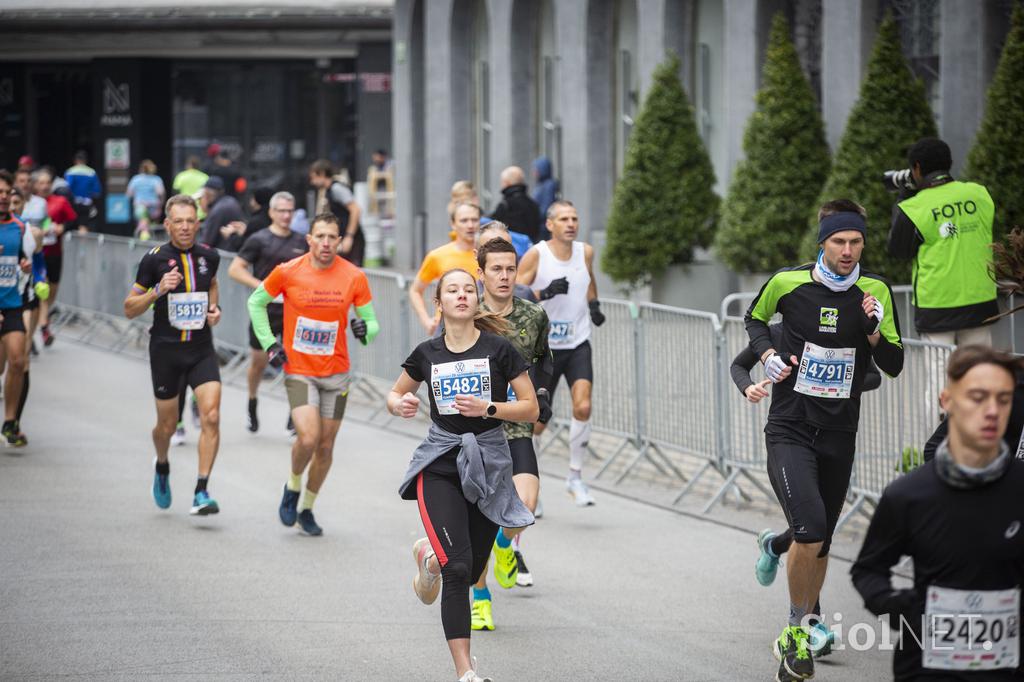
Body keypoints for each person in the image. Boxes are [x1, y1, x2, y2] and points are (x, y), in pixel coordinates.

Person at [744, 199, 904, 681]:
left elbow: (895, 364)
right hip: (790, 426)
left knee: (823, 538)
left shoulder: (875, 292)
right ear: (823, 243)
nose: (849, 251)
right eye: (840, 242)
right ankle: (795, 631)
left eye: (856, 242)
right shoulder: (788, 282)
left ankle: (803, 607)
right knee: (811, 528)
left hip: (840, 431)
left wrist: (875, 333)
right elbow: (754, 319)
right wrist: (768, 352)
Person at [387, 267, 537, 682]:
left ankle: (428, 557)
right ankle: (466, 673)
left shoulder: (499, 350)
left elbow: (530, 408)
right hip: (440, 463)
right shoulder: (426, 353)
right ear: (439, 303)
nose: (461, 296)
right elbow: (397, 392)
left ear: (477, 299)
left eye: (468, 290)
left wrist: (489, 408)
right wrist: (397, 403)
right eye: (451, 290)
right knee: (458, 570)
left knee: (469, 569)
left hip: (488, 462)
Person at [852, 345, 1024, 681]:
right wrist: (903, 609)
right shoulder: (909, 495)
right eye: (977, 397)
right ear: (947, 401)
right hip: (926, 669)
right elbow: (868, 570)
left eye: (1003, 399)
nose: (992, 411)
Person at [247, 212, 379, 535]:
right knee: (308, 437)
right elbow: (256, 302)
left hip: (336, 375)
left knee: (326, 446)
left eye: (332, 237)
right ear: (309, 239)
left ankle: (307, 506)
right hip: (300, 371)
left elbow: (372, 324)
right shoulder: (289, 271)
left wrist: (365, 330)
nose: (325, 243)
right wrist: (270, 344)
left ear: (339, 240)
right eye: (319, 236)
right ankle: (292, 485)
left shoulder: (353, 276)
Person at [467, 237, 552, 632]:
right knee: (479, 518)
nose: (504, 276)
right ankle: (480, 599)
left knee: (526, 504)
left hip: (516, 423)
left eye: (510, 269)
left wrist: (544, 394)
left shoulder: (533, 314)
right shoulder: (466, 312)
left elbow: (543, 360)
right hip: (474, 431)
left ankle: (506, 544)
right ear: (480, 273)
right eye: (496, 269)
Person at [124, 194, 223, 516]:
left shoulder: (210, 255)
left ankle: (201, 490)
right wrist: (157, 291)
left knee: (211, 416)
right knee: (165, 427)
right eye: (178, 221)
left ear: (198, 223)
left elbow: (212, 285)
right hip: (166, 351)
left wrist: (213, 308)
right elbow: (128, 309)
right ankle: (162, 465)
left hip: (201, 349)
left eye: (190, 221)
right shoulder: (153, 260)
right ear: (166, 224)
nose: (184, 227)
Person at [516, 200, 605, 506]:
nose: (571, 223)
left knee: (583, 406)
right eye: (564, 219)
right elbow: (515, 291)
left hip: (578, 342)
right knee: (537, 421)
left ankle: (575, 478)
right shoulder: (537, 254)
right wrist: (545, 293)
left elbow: (589, 278)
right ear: (550, 224)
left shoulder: (586, 252)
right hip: (545, 348)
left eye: (575, 218)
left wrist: (593, 305)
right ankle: (531, 486)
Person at [888, 137, 996, 346]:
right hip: (980, 303)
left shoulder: (915, 207)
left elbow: (898, 250)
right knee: (979, 372)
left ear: (916, 168)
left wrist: (904, 197)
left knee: (940, 376)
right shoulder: (980, 194)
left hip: (937, 307)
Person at [229, 191, 308, 433]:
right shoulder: (259, 239)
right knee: (259, 362)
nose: (285, 215)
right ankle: (252, 402)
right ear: (271, 212)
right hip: (264, 312)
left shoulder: (302, 241)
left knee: (296, 365)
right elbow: (235, 269)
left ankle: (295, 414)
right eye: (281, 211)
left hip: (293, 312)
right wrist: (262, 287)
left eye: (289, 211)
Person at [410, 202, 480, 335]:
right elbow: (415, 290)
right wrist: (426, 320)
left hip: (480, 325)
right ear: (453, 224)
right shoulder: (437, 256)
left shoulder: (486, 256)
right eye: (464, 220)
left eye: (474, 220)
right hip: (445, 328)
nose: (470, 225)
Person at [0, 172, 32, 446]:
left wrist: (25, 266)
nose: (3, 196)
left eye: (6, 192)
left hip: (12, 305)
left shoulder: (20, 228)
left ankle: (10, 421)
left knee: (18, 361)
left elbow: (25, 260)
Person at [33, 169, 75, 348]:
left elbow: (73, 219)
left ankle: (39, 323)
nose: (44, 186)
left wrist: (62, 228)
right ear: (35, 185)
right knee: (41, 292)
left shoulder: (60, 201)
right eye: (40, 183)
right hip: (36, 255)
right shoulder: (31, 204)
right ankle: (43, 327)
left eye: (47, 183)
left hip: (55, 252)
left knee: (51, 292)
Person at [309, 159, 364, 266]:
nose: (312, 182)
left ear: (322, 174)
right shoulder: (327, 191)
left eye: (314, 177)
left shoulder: (337, 188)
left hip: (352, 239)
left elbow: (355, 210)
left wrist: (349, 236)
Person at [490, 166, 542, 243]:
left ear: (507, 183)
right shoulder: (533, 204)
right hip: (530, 247)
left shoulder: (505, 205)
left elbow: (493, 225)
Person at [198, 176, 245, 251]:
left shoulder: (217, 210)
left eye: (201, 198)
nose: (199, 203)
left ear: (207, 195)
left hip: (225, 256)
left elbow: (206, 242)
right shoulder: (230, 200)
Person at [126, 159, 166, 241]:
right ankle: (151, 241)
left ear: (141, 168)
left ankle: (143, 239)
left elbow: (129, 194)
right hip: (154, 206)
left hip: (140, 206)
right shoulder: (156, 179)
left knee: (143, 224)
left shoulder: (136, 179)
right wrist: (160, 205)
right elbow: (160, 193)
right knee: (152, 227)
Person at [63, 150, 101, 232]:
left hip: (72, 203)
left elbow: (67, 188)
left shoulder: (70, 172)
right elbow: (97, 191)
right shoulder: (91, 172)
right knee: (83, 226)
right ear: (85, 161)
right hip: (86, 203)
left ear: (75, 160)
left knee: (70, 225)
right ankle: (83, 244)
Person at [531, 157, 558, 241]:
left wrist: (535, 217)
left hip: (544, 226)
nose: (534, 172)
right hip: (539, 225)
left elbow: (547, 206)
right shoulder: (540, 185)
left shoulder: (549, 185)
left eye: (536, 169)